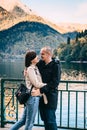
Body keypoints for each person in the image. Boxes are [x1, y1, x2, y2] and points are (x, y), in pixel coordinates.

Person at [10, 51, 47, 130]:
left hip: (31, 97)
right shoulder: (30, 69)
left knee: (23, 120)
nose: (37, 57)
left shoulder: (34, 68)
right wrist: (47, 85)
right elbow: (36, 84)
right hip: (33, 97)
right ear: (31, 59)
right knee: (30, 122)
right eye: (35, 56)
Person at [31, 46, 61, 130]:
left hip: (50, 97)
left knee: (51, 121)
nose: (41, 56)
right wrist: (25, 72)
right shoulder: (40, 64)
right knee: (45, 120)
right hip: (41, 97)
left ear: (49, 54)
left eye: (42, 54)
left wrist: (40, 90)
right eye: (41, 54)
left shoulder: (56, 65)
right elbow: (31, 69)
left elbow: (55, 83)